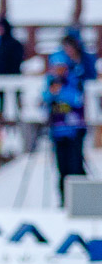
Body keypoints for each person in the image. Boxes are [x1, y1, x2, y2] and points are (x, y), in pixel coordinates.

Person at [45, 57, 87, 206]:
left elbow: (77, 99)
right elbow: (44, 99)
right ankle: (64, 202)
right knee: (62, 170)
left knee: (76, 168)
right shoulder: (50, 83)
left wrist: (60, 92)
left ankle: (80, 202)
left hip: (74, 132)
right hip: (58, 133)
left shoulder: (74, 81)